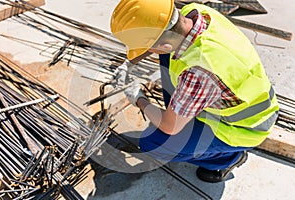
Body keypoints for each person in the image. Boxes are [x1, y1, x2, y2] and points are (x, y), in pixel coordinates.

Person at [110, 0, 279, 183]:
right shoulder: (196, 12)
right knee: (167, 56)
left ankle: (229, 158)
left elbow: (170, 127)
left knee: (154, 143)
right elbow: (164, 40)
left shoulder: (200, 71)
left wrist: (138, 98)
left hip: (244, 127)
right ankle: (181, 112)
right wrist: (130, 62)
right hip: (246, 95)